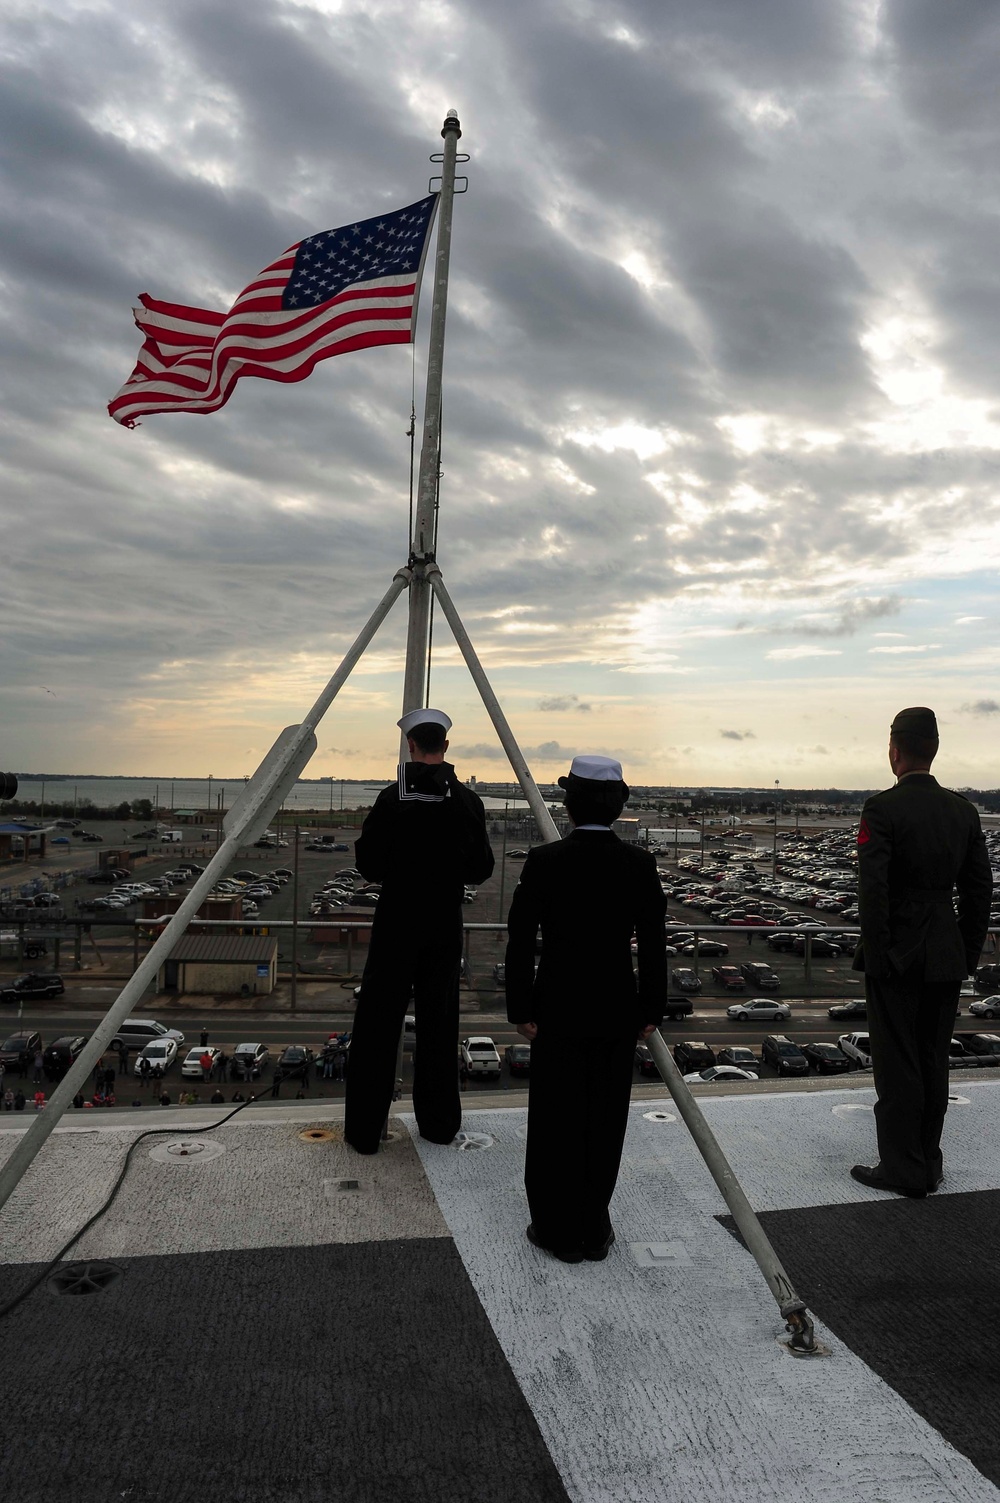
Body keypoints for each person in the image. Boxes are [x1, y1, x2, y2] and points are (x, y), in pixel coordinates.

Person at [506, 755, 667, 1263]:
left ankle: (553, 1229)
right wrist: (650, 1009)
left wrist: (520, 1007)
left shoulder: (544, 861)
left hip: (555, 1008)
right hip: (617, 1011)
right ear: (618, 807)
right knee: (604, 1120)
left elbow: (518, 941)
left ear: (568, 804)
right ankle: (593, 1227)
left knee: (554, 1120)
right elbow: (656, 944)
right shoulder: (639, 865)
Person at [851, 708, 993, 1198]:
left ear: (894, 750)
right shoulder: (964, 811)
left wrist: (882, 952)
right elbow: (980, 892)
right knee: (934, 1058)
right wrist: (967, 953)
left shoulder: (881, 809)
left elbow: (874, 893)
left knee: (896, 1064)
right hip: (945, 954)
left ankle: (902, 1169)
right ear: (933, 750)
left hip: (898, 955)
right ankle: (928, 1162)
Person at [344, 708, 495, 1154]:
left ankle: (365, 1132)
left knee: (376, 1024)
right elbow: (481, 869)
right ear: (445, 747)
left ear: (410, 746)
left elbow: (368, 865)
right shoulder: (467, 802)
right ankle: (438, 1124)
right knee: (439, 1024)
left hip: (396, 919)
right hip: (444, 921)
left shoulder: (392, 800)